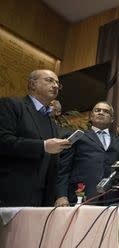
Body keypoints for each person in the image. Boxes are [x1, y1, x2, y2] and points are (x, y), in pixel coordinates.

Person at [0, 69, 71, 206]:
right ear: (33, 84)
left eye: (57, 83)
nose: (55, 86)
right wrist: (43, 146)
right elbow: (3, 141)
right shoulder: (11, 105)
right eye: (49, 80)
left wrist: (58, 195)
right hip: (11, 192)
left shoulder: (50, 120)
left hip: (43, 197)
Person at [54, 101, 119, 206]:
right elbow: (64, 168)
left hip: (111, 199)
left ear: (112, 119)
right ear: (91, 116)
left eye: (105, 111)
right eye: (97, 110)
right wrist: (61, 195)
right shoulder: (78, 136)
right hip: (81, 196)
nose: (101, 113)